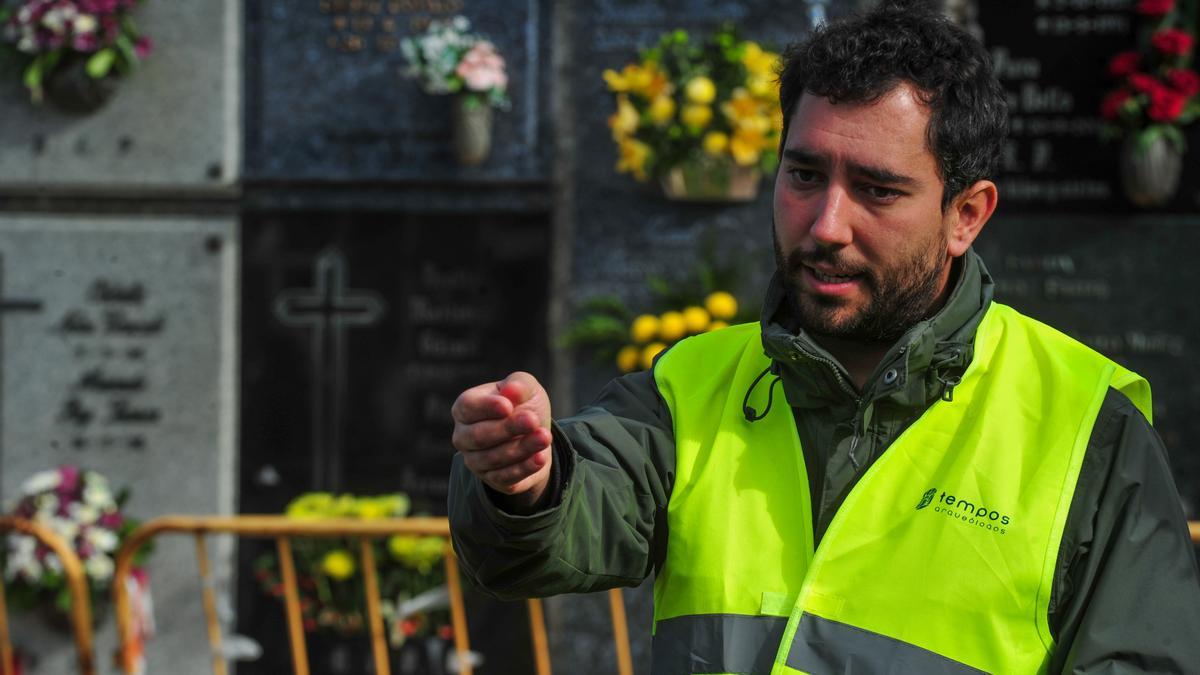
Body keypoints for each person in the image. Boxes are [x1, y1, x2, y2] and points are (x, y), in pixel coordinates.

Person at [448, 3, 1200, 673]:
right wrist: (526, 486)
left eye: (878, 189)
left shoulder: (1088, 431)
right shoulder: (691, 384)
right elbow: (555, 529)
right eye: (805, 175)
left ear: (966, 214)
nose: (826, 225)